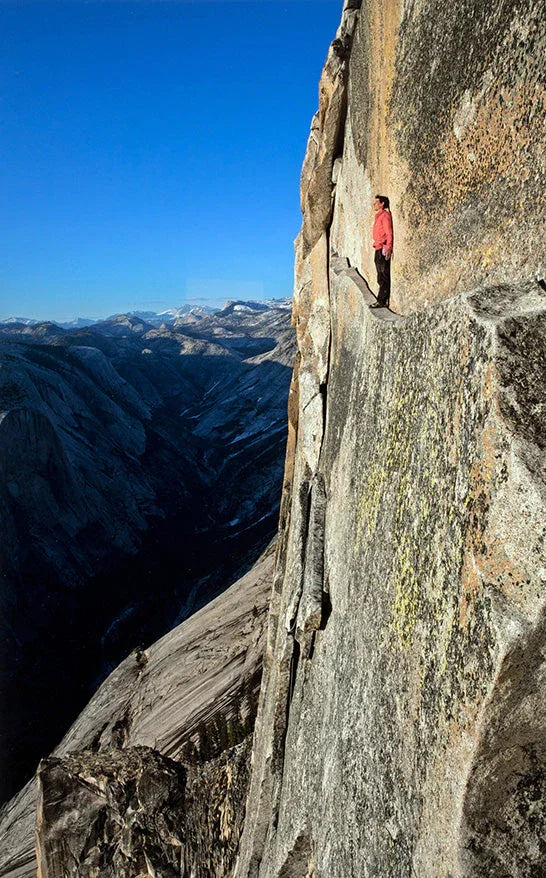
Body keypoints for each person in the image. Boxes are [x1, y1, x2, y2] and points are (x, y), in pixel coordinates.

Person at [370, 194, 393, 308]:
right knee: (380, 275)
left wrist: (388, 247)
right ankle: (382, 299)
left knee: (383, 275)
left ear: (382, 203)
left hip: (383, 248)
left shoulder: (385, 216)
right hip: (377, 247)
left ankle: (382, 300)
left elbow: (389, 232)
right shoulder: (378, 216)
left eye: (376, 202)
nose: (374, 204)